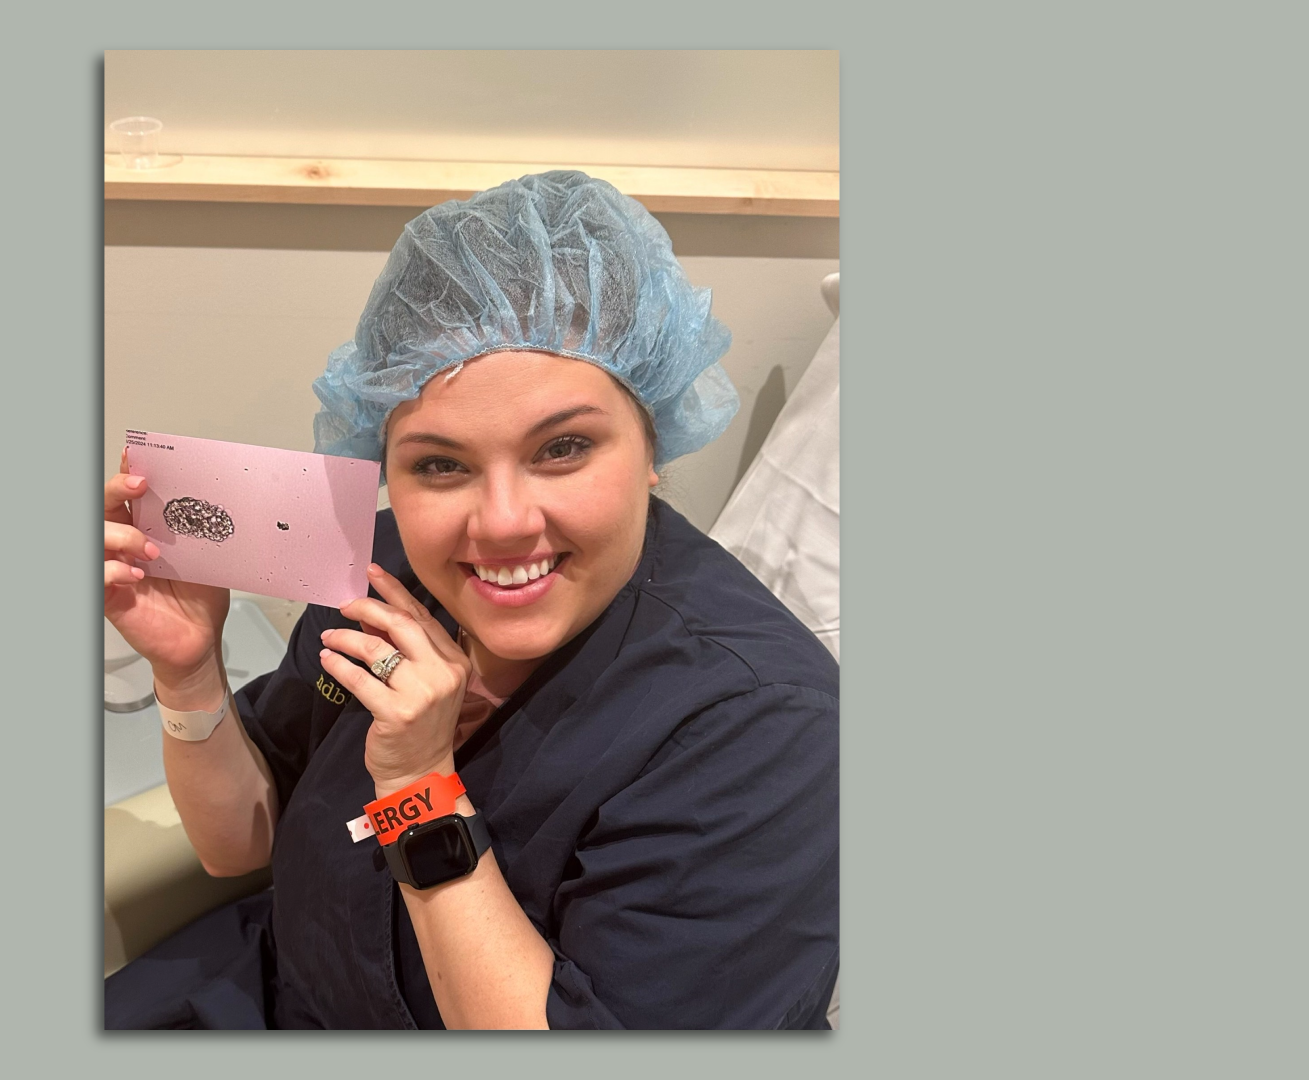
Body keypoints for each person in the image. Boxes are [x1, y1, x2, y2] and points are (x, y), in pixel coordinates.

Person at [101, 171, 838, 1029]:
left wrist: (419, 786)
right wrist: (189, 675)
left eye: (563, 448)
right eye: (440, 464)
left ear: (654, 447)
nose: (502, 523)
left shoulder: (764, 733)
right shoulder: (382, 569)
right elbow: (241, 846)